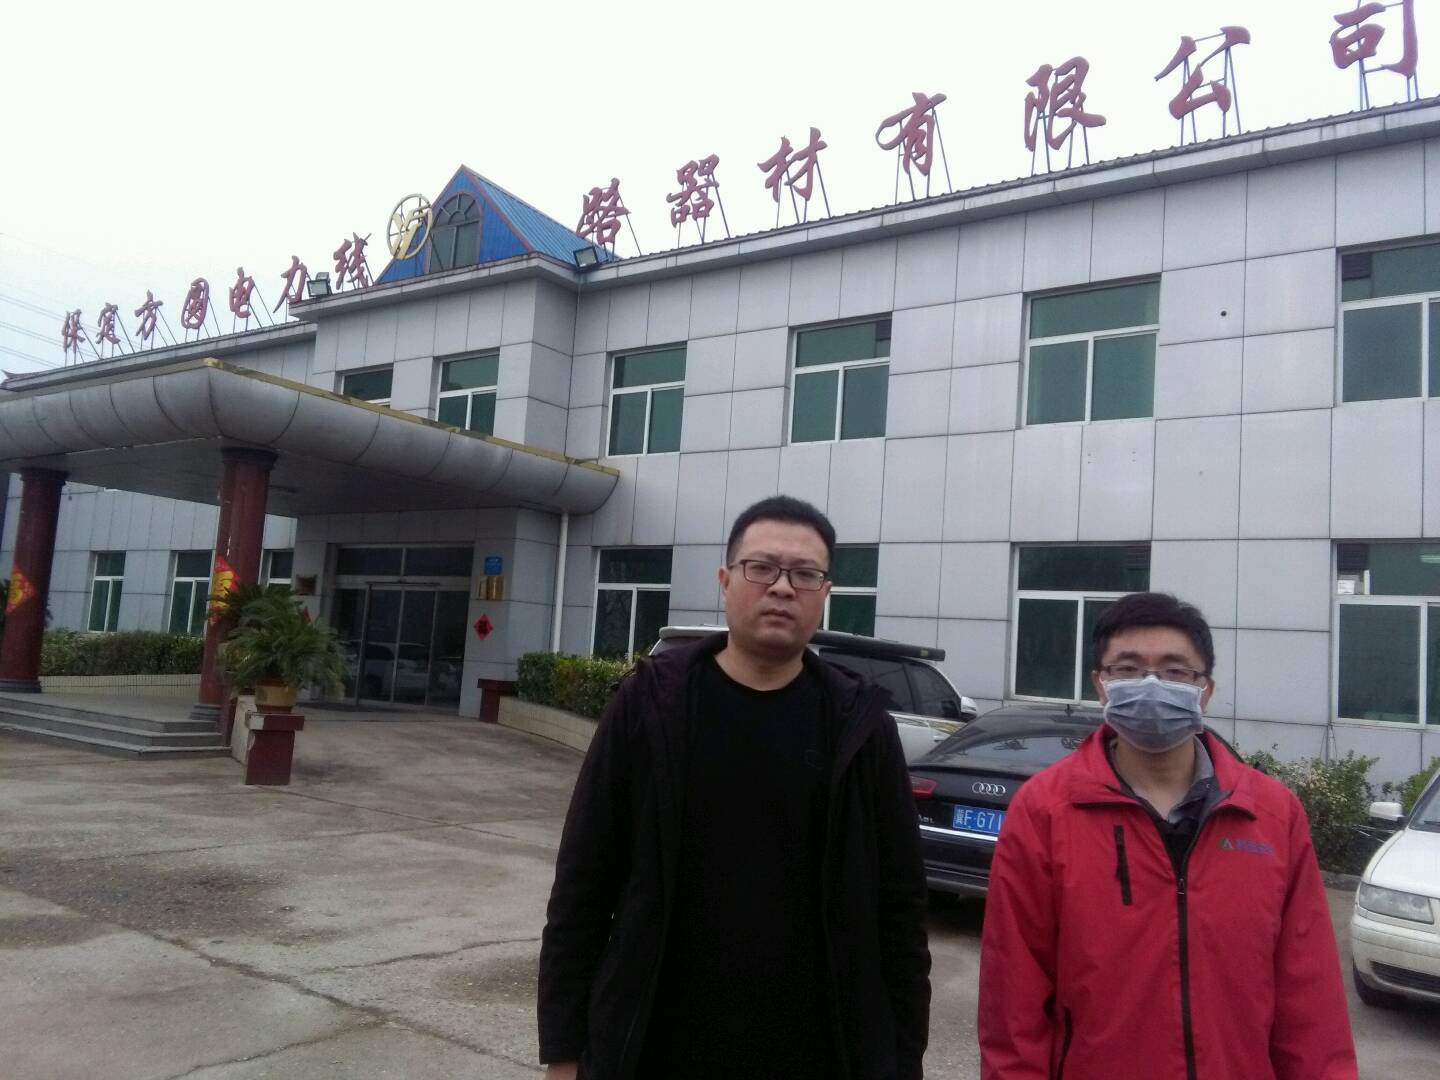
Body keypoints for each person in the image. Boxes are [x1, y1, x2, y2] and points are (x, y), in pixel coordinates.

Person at [538, 495, 931, 1080]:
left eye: (805, 574)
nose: (782, 587)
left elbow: (899, 911)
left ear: (825, 593)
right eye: (761, 568)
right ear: (725, 581)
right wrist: (564, 1052)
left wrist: (902, 1061)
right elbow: (584, 884)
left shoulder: (860, 726)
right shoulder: (652, 706)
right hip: (655, 1048)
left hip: (819, 1055)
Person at [978, 592, 1357, 1080]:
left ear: (1206, 690)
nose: (1152, 685)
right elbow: (1014, 1002)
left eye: (1176, 671)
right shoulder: (1045, 811)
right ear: (1101, 685)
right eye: (1129, 669)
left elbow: (1310, 999)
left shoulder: (1271, 814)